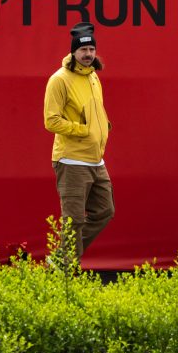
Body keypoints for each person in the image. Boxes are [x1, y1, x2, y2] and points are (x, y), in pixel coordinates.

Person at [43, 22, 115, 257]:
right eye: (83, 50)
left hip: (96, 160)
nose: (88, 54)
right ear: (74, 51)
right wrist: (85, 130)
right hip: (72, 160)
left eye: (92, 49)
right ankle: (65, 269)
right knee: (73, 221)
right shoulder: (59, 79)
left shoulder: (93, 76)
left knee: (104, 211)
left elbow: (95, 109)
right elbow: (51, 121)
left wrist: (102, 125)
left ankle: (61, 258)